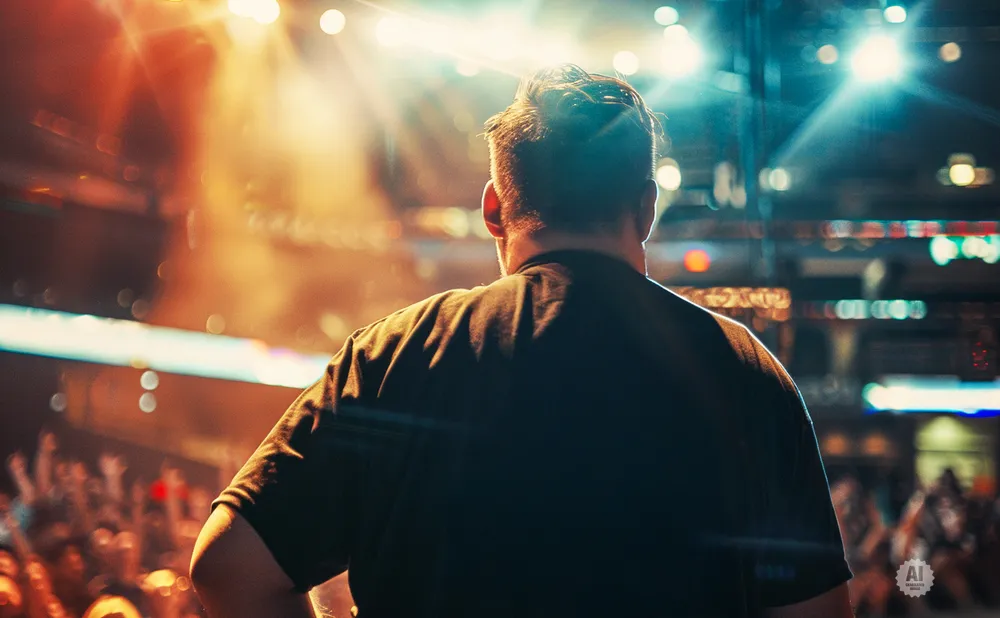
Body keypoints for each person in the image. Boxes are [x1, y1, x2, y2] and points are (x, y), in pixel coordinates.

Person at [191, 64, 854, 618]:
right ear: (647, 209)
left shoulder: (394, 355)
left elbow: (228, 568)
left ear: (493, 208)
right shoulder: (747, 373)